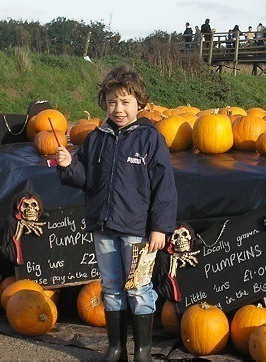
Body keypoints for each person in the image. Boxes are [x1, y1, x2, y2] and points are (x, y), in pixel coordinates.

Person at [55, 65, 178, 361]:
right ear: (104, 104)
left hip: (138, 231)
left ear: (140, 104)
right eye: (112, 102)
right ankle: (116, 347)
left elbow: (165, 187)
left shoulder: (150, 140)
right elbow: (84, 178)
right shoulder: (97, 138)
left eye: (125, 102)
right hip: (104, 226)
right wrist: (68, 165)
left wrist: (160, 228)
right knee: (111, 288)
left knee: (139, 289)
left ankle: (143, 350)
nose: (118, 109)